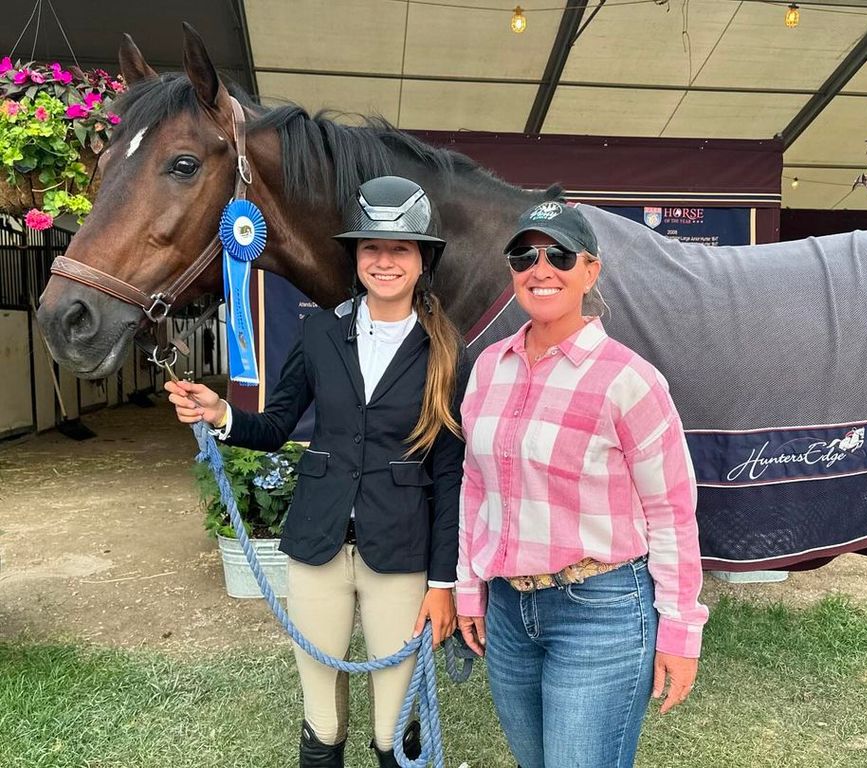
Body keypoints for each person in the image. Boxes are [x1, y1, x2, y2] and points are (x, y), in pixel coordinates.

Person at [166, 176, 465, 768]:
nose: (384, 261)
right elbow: (276, 424)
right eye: (371, 248)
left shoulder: (446, 350)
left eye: (399, 248)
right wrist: (221, 412)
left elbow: (450, 475)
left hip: (401, 553)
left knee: (389, 724)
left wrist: (443, 583)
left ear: (422, 259)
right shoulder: (321, 330)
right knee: (323, 719)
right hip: (317, 546)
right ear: (354, 257)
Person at [456, 201, 708, 768]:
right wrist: (469, 588)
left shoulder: (630, 380)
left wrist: (681, 630)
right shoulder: (488, 367)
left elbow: (671, 514)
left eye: (559, 255)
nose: (540, 268)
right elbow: (476, 486)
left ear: (590, 271)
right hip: (506, 610)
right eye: (524, 255)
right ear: (512, 271)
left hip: (601, 612)